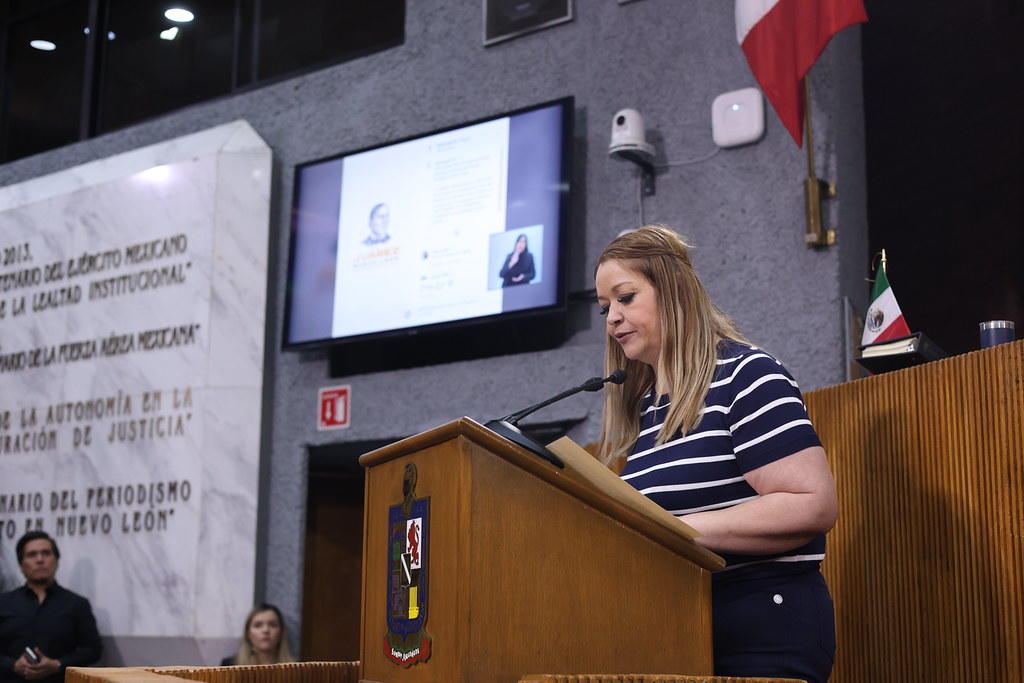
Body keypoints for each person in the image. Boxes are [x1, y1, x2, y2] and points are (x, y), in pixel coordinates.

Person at [594, 225, 838, 683]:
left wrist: (673, 531)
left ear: (673, 291)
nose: (611, 318)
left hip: (762, 631)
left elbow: (812, 503)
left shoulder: (746, 375)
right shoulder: (650, 409)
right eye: (605, 307)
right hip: (678, 632)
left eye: (625, 298)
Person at [0, 531, 102, 682]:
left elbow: (93, 650)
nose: (40, 559)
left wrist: (57, 665)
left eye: (46, 553)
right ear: (21, 565)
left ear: (56, 560)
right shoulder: (3, 602)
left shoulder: (76, 604)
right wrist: (13, 665)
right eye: (32, 555)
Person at [221, 604, 295, 666]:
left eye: (272, 625)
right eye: (258, 625)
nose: (266, 630)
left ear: (281, 632)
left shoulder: (295, 669)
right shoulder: (229, 666)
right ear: (248, 633)